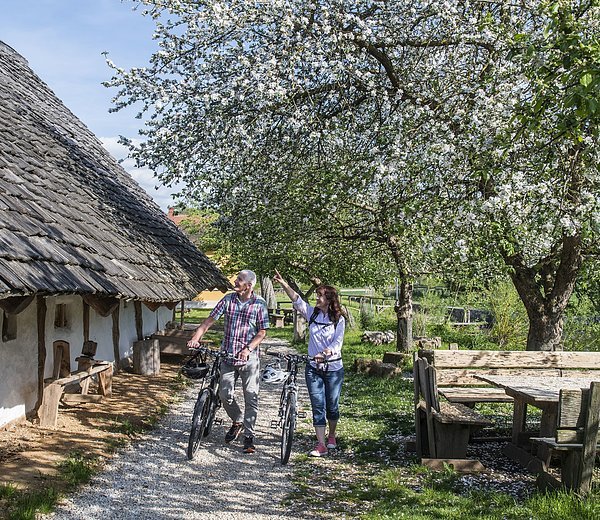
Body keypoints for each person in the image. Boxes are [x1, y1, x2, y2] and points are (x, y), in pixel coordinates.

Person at [187, 269, 269, 454]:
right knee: (225, 395)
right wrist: (196, 337)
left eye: (239, 279)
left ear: (248, 285)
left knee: (251, 396)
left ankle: (249, 437)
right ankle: (237, 420)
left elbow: (262, 332)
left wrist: (248, 349)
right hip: (228, 357)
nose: (235, 281)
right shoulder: (228, 300)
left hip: (249, 359)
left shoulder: (259, 304)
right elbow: (209, 321)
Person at [273, 270, 345, 457]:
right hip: (313, 368)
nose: (317, 298)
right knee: (318, 405)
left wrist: (325, 352)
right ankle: (320, 444)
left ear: (329, 300)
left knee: (332, 405)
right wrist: (283, 283)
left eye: (320, 296)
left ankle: (332, 435)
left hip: (333, 369)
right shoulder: (312, 314)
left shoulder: (339, 320)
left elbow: (337, 344)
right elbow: (297, 300)